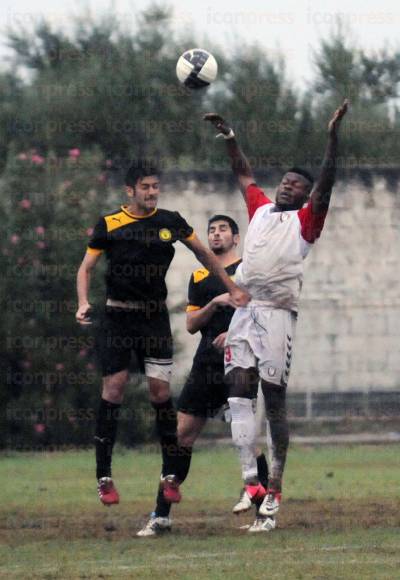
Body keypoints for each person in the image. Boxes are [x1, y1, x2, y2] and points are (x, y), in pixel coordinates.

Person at [204, 100, 348, 529]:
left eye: (295, 185)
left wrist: (332, 137)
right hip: (246, 310)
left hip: (279, 314)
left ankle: (277, 487)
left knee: (275, 401)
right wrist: (231, 140)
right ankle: (253, 481)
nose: (286, 187)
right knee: (236, 390)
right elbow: (243, 174)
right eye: (284, 182)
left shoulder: (307, 220)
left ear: (305, 194)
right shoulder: (262, 210)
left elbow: (328, 182)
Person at [75, 160, 249, 510]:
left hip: (153, 319)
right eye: (145, 187)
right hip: (118, 317)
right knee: (115, 387)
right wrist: (82, 302)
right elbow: (86, 267)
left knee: (160, 392)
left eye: (156, 186)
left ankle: (171, 475)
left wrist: (231, 286)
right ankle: (104, 475)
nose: (152, 192)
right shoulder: (110, 224)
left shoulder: (171, 221)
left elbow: (204, 254)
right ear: (130, 190)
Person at [137, 214, 270, 536]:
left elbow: (262, 313)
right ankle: (161, 514)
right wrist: (215, 301)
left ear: (236, 238)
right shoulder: (199, 275)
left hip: (240, 363)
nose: (216, 234)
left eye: (223, 229)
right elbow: (192, 324)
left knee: (246, 439)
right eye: (211, 230)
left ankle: (264, 513)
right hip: (206, 364)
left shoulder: (247, 271)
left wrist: (236, 333)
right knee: (180, 436)